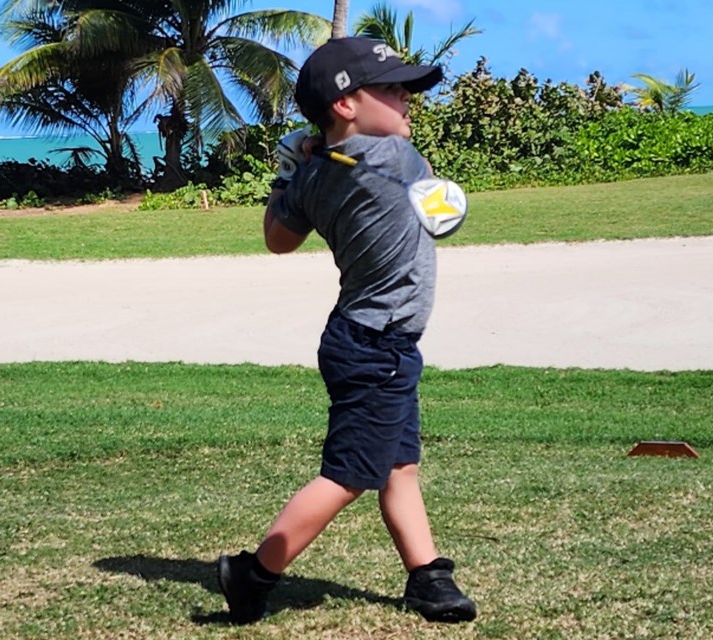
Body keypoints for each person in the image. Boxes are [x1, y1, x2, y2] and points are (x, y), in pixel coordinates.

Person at [217, 36, 477, 625]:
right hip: (376, 343)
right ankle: (253, 573)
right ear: (345, 104)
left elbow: (277, 240)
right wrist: (316, 157)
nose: (407, 99)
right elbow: (441, 213)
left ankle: (427, 576)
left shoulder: (313, 176)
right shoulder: (398, 161)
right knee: (349, 474)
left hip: (366, 338)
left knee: (397, 465)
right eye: (390, 89)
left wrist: (292, 169)